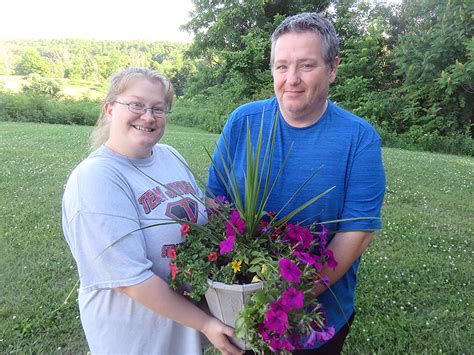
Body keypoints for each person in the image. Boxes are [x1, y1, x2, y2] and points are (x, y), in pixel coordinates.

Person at [207, 13, 386, 354]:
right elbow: (216, 199)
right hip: (239, 311)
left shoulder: (359, 139)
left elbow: (357, 234)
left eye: (306, 65)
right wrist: (237, 293)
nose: (292, 79)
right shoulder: (243, 122)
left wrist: (281, 300)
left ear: (332, 69)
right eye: (281, 66)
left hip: (316, 318)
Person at [62, 67, 243, 355]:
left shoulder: (170, 155)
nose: (148, 116)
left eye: (158, 108)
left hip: (180, 336)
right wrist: (206, 323)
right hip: (136, 342)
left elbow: (201, 224)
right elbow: (131, 280)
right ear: (109, 109)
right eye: (136, 104)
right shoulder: (96, 178)